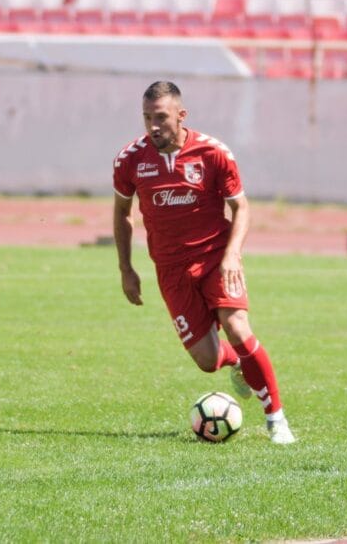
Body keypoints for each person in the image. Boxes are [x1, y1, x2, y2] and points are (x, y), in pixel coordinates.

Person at [112, 80, 295, 444]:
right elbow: (122, 213)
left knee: (237, 327)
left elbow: (241, 207)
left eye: (160, 117)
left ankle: (276, 419)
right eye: (147, 117)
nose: (153, 126)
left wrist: (233, 254)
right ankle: (238, 362)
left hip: (216, 258)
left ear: (181, 115)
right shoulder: (130, 159)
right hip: (171, 270)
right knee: (207, 361)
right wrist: (126, 268)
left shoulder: (213, 153)